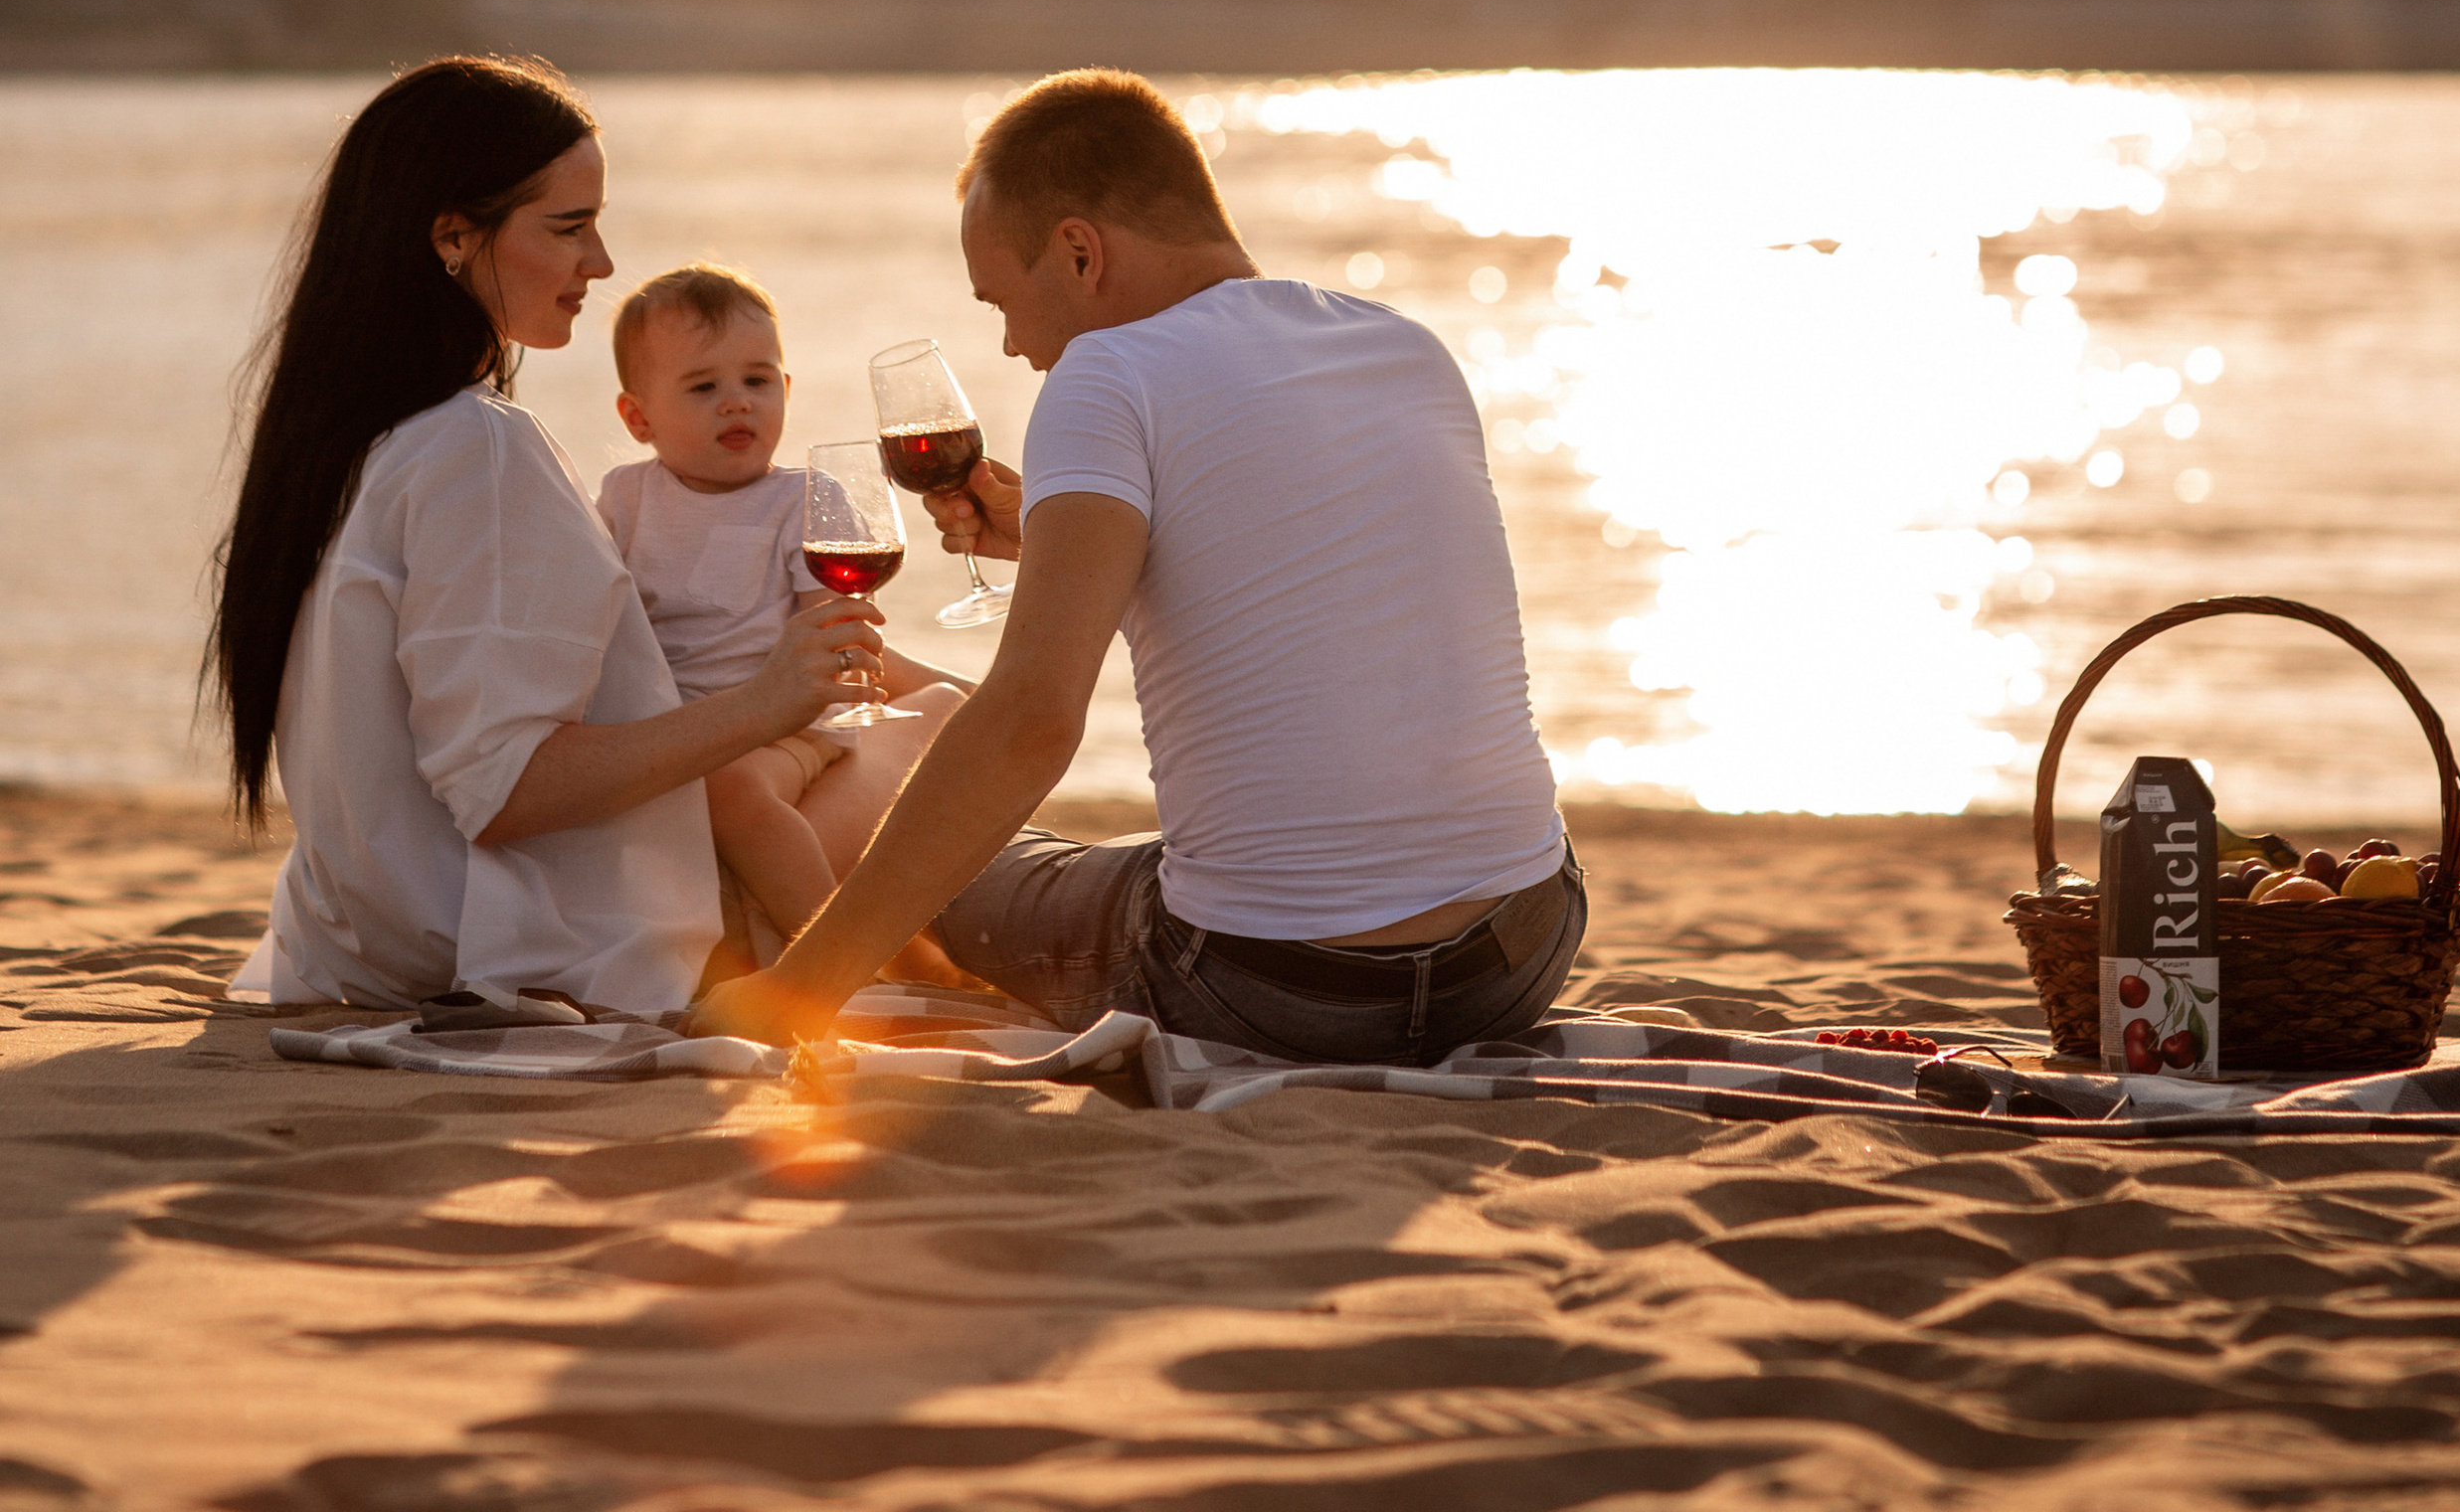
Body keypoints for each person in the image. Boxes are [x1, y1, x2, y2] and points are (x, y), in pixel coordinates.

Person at [699, 68, 1584, 1061]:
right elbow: (1290, 568)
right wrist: (1052, 529)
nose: (1014, 344)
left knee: (904, 827)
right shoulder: (1404, 347)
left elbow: (1031, 724)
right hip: (1519, 952)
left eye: (1005, 301)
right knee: (1137, 853)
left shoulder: (1107, 370)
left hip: (1275, 984)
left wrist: (803, 989)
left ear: (1079, 253)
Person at [218, 57, 874, 1019]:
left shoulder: (351, 438)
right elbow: (505, 786)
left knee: (910, 722)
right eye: (568, 229)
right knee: (919, 745)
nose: (601, 266)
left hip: (365, 930)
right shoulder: (475, 447)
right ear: (453, 237)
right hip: (508, 939)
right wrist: (764, 705)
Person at [599, 260, 966, 934]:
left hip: (784, 726)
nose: (737, 401)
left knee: (734, 791)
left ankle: (823, 956)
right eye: (703, 386)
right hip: (675, 731)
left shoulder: (803, 500)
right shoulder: (625, 499)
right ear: (638, 416)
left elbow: (829, 637)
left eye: (757, 381)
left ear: (786, 390)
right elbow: (597, 618)